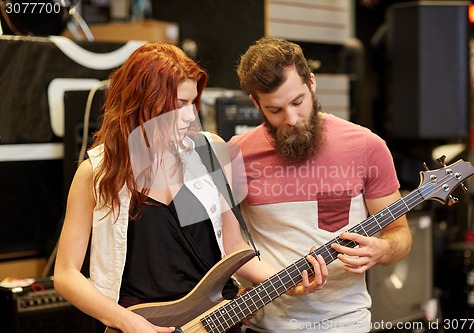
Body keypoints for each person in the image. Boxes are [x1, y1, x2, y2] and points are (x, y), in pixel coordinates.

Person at [53, 42, 328, 333]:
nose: (189, 116)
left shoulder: (209, 152)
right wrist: (127, 321)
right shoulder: (98, 173)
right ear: (145, 103)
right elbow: (66, 274)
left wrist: (287, 282)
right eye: (179, 104)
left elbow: (232, 248)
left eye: (192, 103)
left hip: (215, 321)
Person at [230, 37, 413, 332]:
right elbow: (211, 241)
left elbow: (400, 234)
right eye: (274, 110)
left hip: (345, 324)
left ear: (311, 83)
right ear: (255, 103)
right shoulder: (234, 154)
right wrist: (230, 290)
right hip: (265, 326)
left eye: (297, 102)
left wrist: (381, 250)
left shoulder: (367, 145)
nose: (291, 118)